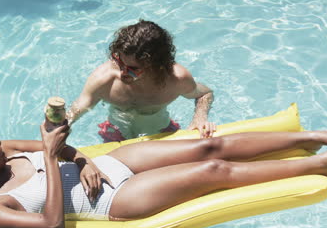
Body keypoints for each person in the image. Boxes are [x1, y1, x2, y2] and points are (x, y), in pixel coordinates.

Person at [0, 118, 327, 228]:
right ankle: (321, 164)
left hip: (109, 165)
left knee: (210, 145)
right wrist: (58, 160)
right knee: (214, 170)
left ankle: (317, 135)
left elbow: (65, 150)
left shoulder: (12, 151)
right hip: (117, 201)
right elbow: (51, 223)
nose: (1, 144)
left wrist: (82, 160)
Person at [67, 20, 216, 142]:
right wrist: (60, 124)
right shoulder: (104, 79)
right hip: (116, 130)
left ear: (156, 65)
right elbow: (78, 107)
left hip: (160, 130)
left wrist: (199, 118)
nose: (122, 72)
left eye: (132, 68)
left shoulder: (176, 79)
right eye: (119, 61)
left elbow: (204, 94)